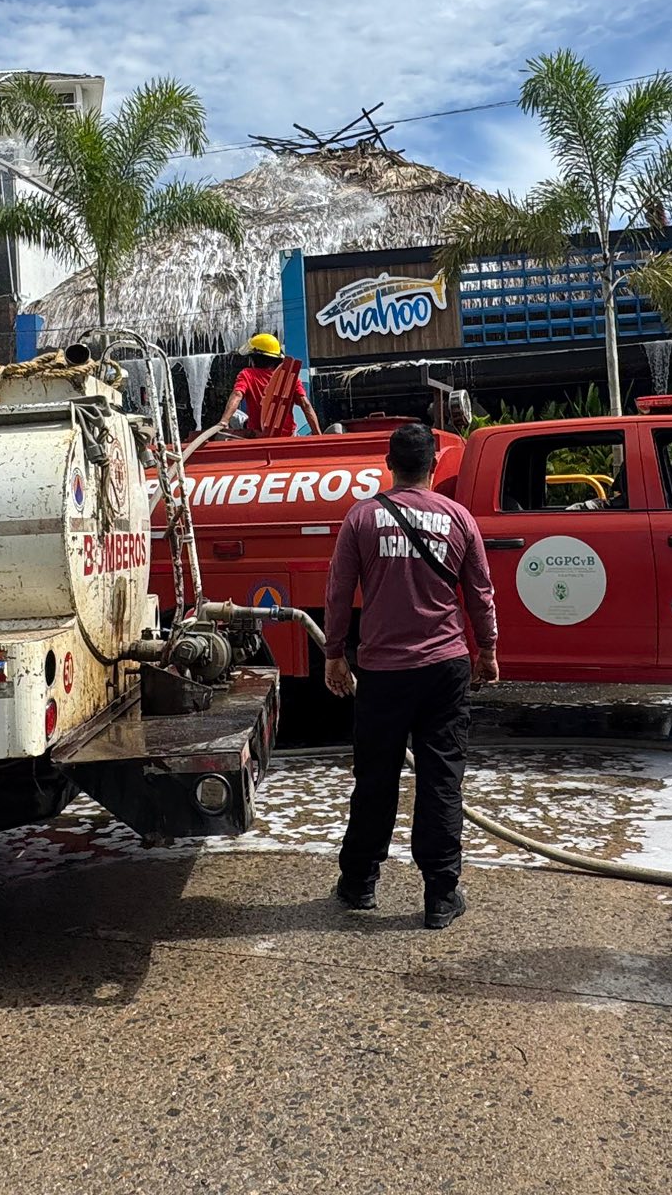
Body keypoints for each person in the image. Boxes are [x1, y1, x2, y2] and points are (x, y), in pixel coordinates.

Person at [324, 423, 498, 929]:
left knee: (374, 779)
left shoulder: (362, 517)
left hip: (383, 672)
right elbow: (480, 592)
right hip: (446, 668)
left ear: (389, 464)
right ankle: (441, 895)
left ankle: (359, 883)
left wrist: (334, 653)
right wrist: (487, 648)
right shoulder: (459, 518)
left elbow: (338, 592)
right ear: (434, 465)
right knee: (442, 779)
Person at [214, 332, 323, 438]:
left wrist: (224, 421)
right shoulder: (290, 378)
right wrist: (318, 435)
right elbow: (306, 405)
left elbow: (237, 395)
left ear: (254, 358)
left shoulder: (247, 375)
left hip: (257, 435)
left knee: (235, 415)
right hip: (288, 435)